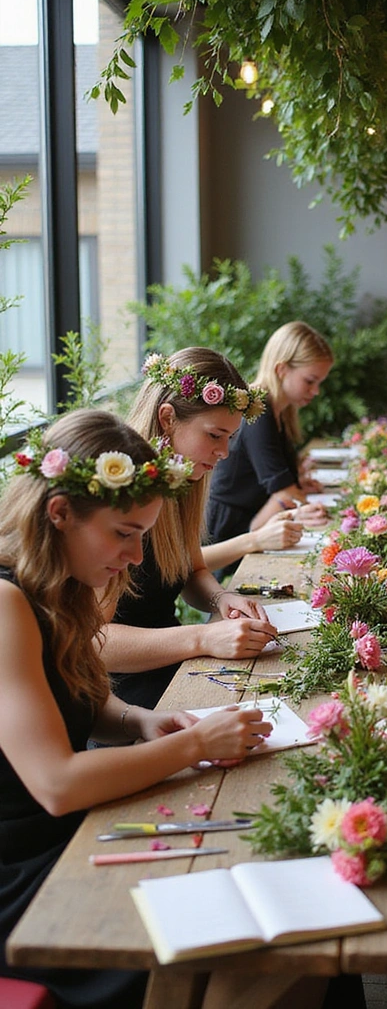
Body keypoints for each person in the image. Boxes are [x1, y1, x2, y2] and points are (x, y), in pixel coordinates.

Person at [0, 409, 273, 1008]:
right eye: (125, 532)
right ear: (59, 514)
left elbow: (88, 703)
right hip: (22, 870)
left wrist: (140, 720)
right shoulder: (4, 602)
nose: (135, 555)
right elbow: (56, 783)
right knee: (227, 922)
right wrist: (195, 743)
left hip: (63, 832)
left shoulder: (61, 584)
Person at [103, 348, 279, 711]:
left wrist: (220, 599)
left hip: (176, 661)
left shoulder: (182, 483)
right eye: (215, 435)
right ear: (167, 418)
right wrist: (202, 638)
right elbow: (94, 642)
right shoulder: (116, 495)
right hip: (119, 689)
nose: (225, 453)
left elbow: (192, 570)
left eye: (230, 438)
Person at [207, 321, 333, 578]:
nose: (316, 391)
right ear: (282, 369)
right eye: (310, 381)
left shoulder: (279, 410)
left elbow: (284, 486)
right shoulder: (258, 409)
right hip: (229, 532)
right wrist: (295, 491)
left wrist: (297, 486)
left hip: (253, 521)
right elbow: (284, 492)